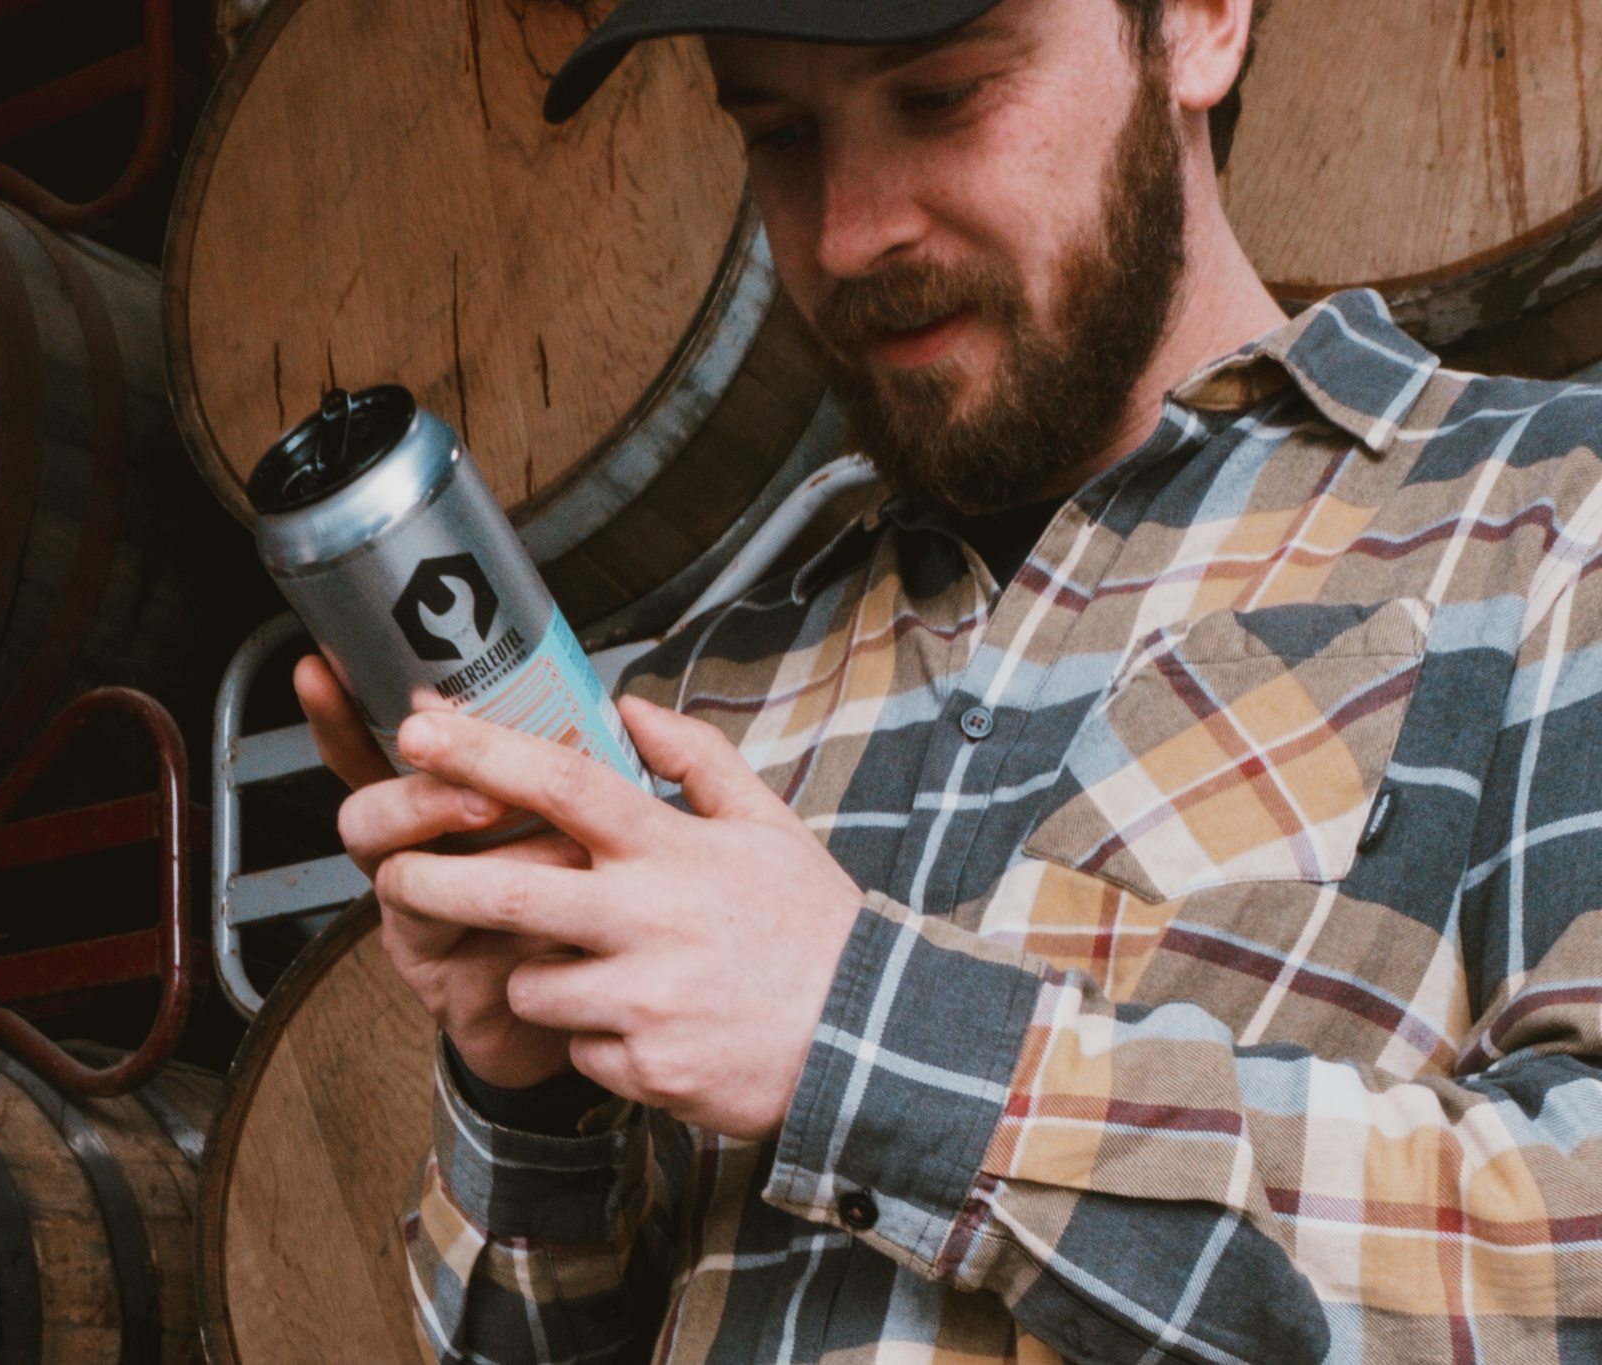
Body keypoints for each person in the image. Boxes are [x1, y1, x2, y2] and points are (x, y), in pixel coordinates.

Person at [294, 0, 1602, 1359]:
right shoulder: (698, 704)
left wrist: (857, 1031)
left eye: (943, 98)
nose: (853, 231)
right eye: (782, 134)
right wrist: (528, 1090)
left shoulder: (1543, 523)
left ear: (1200, 26)